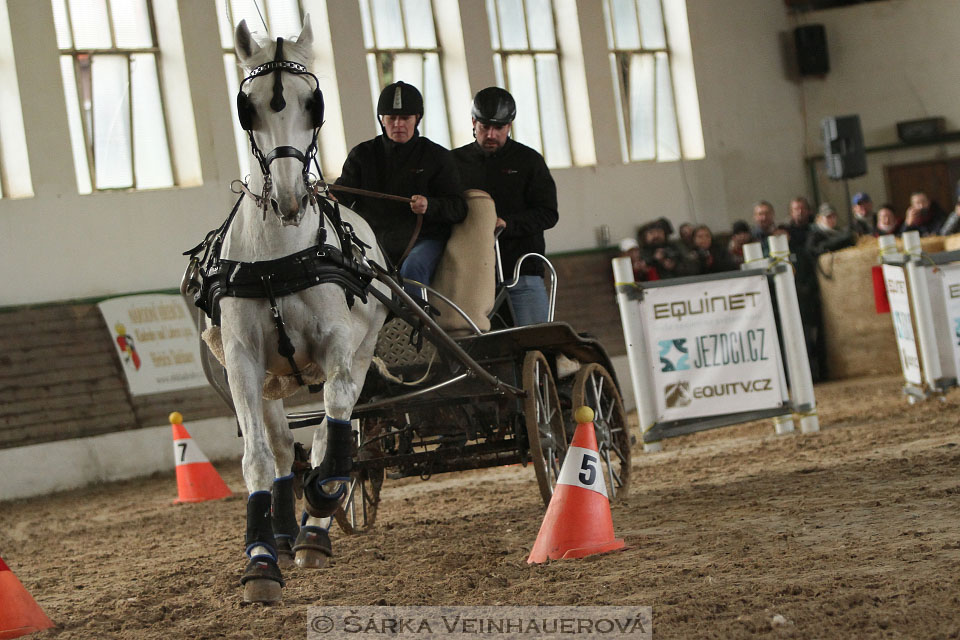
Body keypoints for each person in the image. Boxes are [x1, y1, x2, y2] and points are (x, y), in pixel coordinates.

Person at [336, 81, 466, 298]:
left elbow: (459, 207)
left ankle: (415, 326)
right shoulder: (362, 155)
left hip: (423, 241)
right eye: (392, 118)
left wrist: (430, 205)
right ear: (382, 120)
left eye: (405, 118)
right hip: (372, 241)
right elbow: (343, 193)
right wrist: (329, 197)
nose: (398, 124)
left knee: (413, 269)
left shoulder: (438, 156)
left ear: (417, 119)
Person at [453, 87, 558, 326]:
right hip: (471, 279)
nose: (491, 134)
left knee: (537, 342)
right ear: (473, 122)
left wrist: (507, 224)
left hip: (521, 273)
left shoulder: (529, 161)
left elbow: (548, 213)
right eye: (484, 127)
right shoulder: (453, 164)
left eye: (498, 128)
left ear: (509, 126)